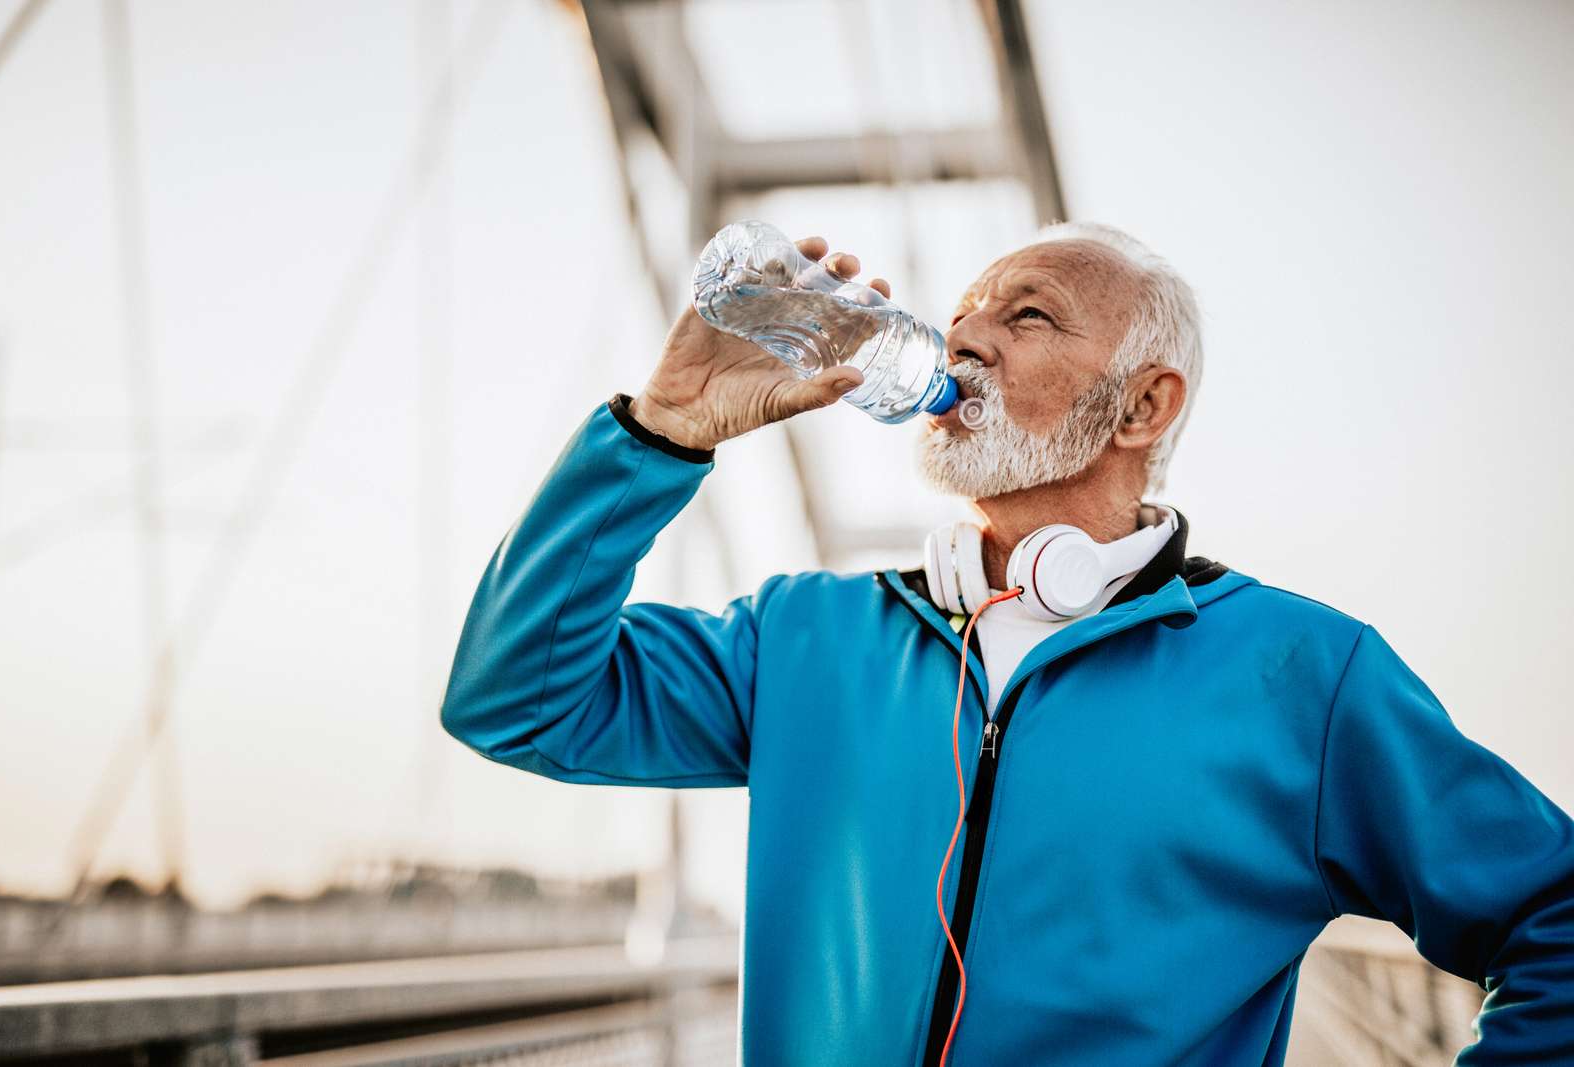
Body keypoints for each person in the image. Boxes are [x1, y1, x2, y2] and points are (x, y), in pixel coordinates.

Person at [440, 222, 1574, 1065]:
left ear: (1140, 408)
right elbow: (512, 695)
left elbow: (1554, 916)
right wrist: (663, 428)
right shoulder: (806, 637)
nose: (964, 334)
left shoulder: (1300, 679)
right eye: (969, 307)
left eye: (1026, 314)